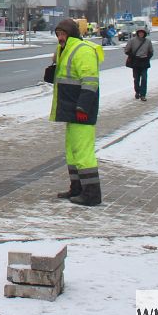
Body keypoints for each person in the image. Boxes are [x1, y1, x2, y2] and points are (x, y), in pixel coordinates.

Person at [48, 18, 104, 206]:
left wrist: (83, 107)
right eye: (57, 34)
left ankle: (92, 194)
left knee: (83, 153)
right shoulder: (64, 50)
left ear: (71, 33)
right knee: (72, 152)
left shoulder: (83, 50)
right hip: (70, 108)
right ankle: (77, 188)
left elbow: (90, 82)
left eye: (62, 34)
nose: (60, 37)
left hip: (81, 110)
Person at [124, 27, 154, 101]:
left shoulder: (148, 41)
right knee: (136, 79)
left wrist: (147, 57)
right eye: (140, 32)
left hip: (144, 62)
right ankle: (137, 91)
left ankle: (143, 94)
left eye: (142, 33)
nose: (141, 34)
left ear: (144, 33)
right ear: (137, 33)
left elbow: (151, 51)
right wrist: (133, 56)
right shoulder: (132, 41)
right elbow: (126, 50)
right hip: (135, 62)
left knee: (144, 78)